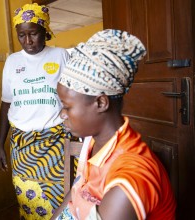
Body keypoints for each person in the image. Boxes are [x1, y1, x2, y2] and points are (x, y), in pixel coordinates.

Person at [53, 29, 176, 220]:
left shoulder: (128, 181)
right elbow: (77, 191)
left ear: (101, 103)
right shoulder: (94, 142)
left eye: (67, 107)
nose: (61, 114)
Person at [0, 3, 70, 219]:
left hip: (55, 142)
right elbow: (6, 103)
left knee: (59, 198)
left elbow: (74, 98)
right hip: (21, 145)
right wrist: (0, 144)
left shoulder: (61, 56)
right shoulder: (12, 62)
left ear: (45, 32)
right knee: (28, 200)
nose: (27, 41)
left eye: (33, 34)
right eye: (21, 35)